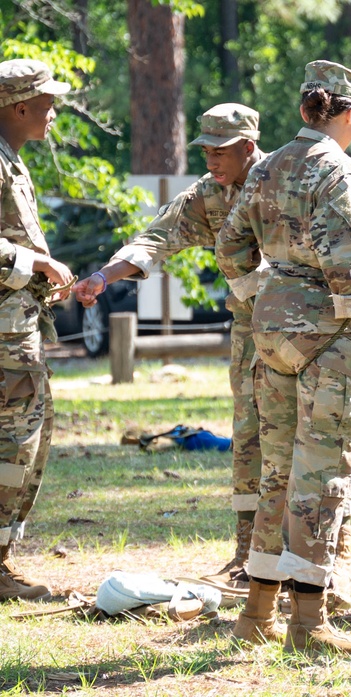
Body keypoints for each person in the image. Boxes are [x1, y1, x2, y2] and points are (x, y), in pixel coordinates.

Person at [216, 60, 351, 654]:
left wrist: (263, 296)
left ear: (304, 110)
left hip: (270, 330)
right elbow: (346, 262)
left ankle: (255, 615)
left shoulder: (266, 164)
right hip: (329, 334)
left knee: (277, 471)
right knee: (324, 473)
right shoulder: (338, 169)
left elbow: (230, 245)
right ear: (348, 114)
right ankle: (308, 622)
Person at [72, 103, 269, 590]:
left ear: (249, 147)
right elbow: (156, 237)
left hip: (303, 328)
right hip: (249, 327)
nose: (211, 161)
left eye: (221, 151)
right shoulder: (209, 193)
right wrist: (102, 275)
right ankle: (247, 554)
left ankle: (300, 559)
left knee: (300, 438)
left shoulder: (285, 181)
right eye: (205, 150)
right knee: (248, 433)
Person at [0, 59, 74, 602]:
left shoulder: (12, 161)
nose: (54, 111)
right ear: (19, 106)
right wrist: (36, 266)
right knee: (12, 442)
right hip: (5, 333)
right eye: (47, 102)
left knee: (28, 437)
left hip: (18, 326)